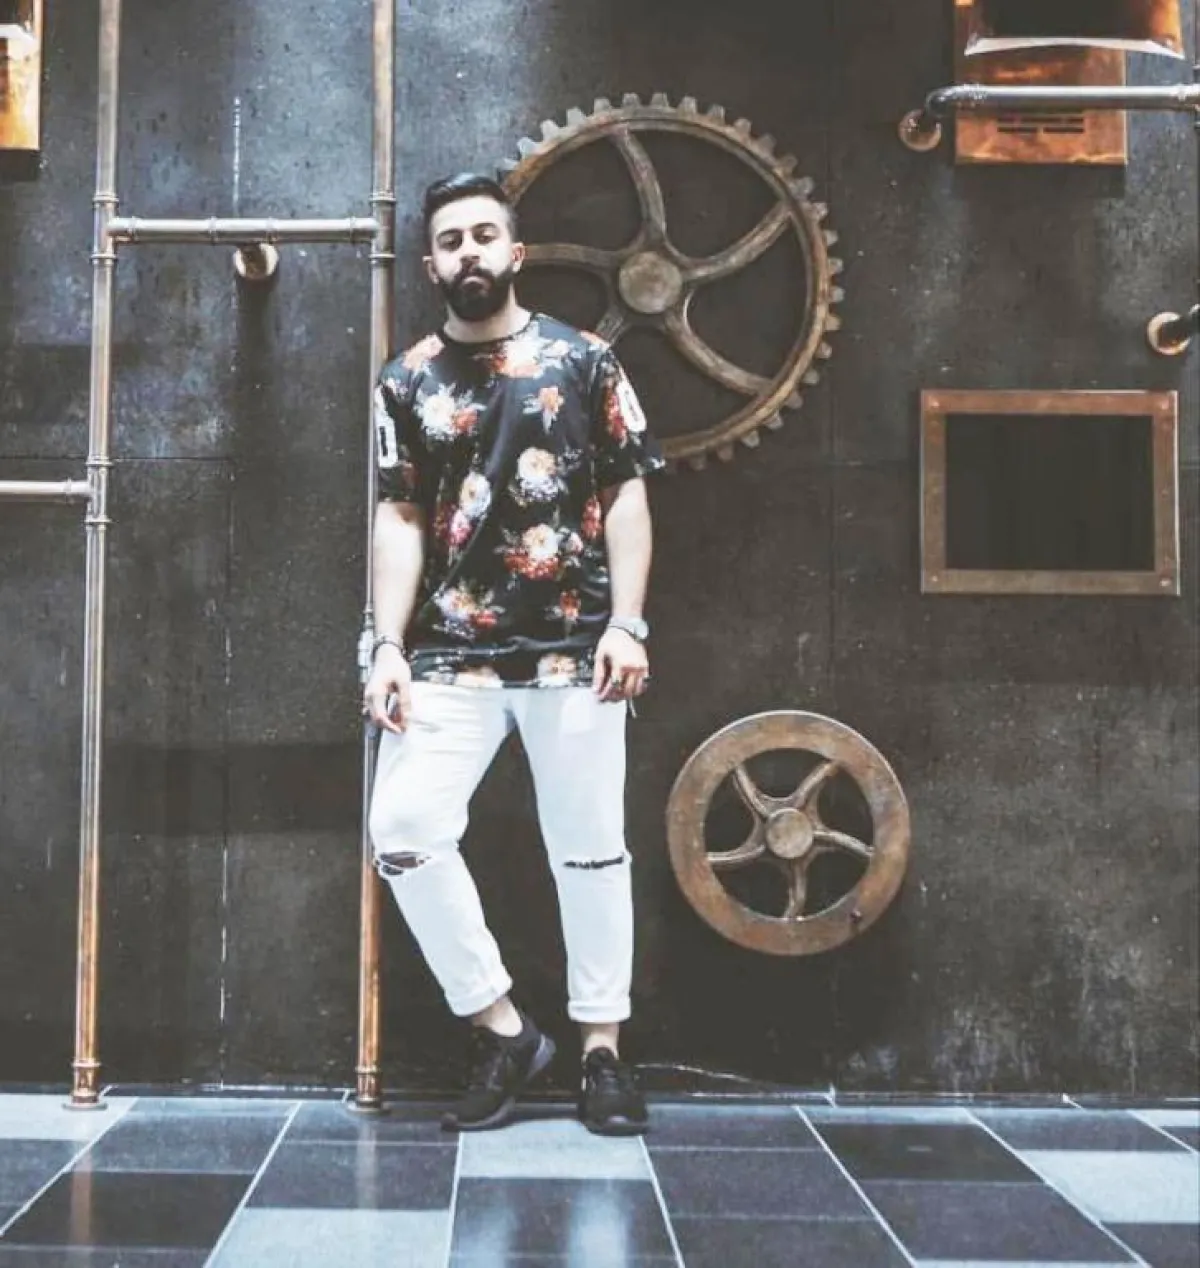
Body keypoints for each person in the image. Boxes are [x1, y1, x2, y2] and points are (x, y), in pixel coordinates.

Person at [364, 173, 665, 1136]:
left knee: (591, 852)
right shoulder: (406, 379)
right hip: (450, 654)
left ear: (515, 252)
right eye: (452, 241)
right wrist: (386, 645)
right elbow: (400, 517)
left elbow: (626, 493)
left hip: (576, 652)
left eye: (484, 236)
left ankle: (603, 1052)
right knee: (402, 829)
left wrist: (628, 623)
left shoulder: (586, 362)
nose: (470, 253)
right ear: (431, 265)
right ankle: (503, 1030)